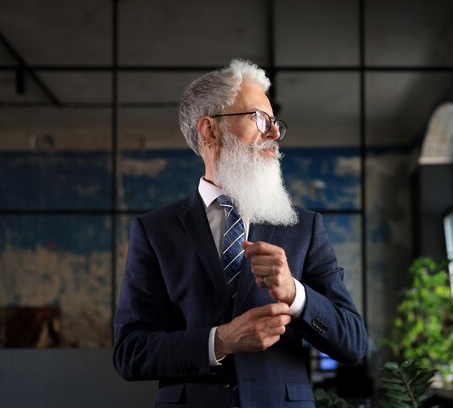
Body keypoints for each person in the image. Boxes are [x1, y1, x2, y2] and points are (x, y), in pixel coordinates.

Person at [113, 59, 368, 408]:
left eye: (275, 122)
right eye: (259, 119)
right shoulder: (154, 230)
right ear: (210, 130)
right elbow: (129, 353)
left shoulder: (304, 227)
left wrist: (296, 294)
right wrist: (221, 340)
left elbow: (354, 343)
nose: (274, 133)